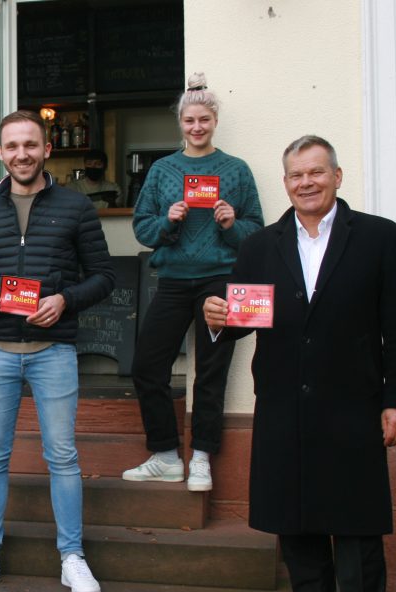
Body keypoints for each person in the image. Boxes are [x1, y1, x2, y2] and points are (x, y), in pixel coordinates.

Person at [201, 135, 396, 592]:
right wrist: (216, 317)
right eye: (297, 176)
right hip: (284, 412)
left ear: (337, 177)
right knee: (298, 534)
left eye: (316, 172)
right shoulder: (260, 245)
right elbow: (242, 320)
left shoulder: (379, 237)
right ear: (286, 184)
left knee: (359, 539)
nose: (307, 183)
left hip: (354, 410)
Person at [0, 110, 115, 592]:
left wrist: (64, 299)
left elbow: (104, 275)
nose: (21, 153)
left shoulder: (76, 207)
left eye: (30, 144)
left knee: (62, 456)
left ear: (46, 150)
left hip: (53, 351)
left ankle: (72, 557)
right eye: (12, 146)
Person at [122, 72, 264, 492]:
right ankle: (166, 454)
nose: (196, 127)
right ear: (180, 123)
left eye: (204, 119)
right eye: (189, 121)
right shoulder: (163, 170)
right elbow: (141, 229)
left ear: (215, 120)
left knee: (212, 372)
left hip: (222, 280)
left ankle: (201, 456)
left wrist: (231, 224)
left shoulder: (236, 170)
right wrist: (167, 221)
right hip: (172, 280)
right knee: (148, 366)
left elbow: (258, 231)